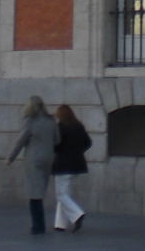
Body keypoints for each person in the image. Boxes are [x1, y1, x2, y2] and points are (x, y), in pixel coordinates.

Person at [5, 95, 59, 235]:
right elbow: (57, 139)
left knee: (34, 194)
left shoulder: (30, 121)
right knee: (40, 192)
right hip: (48, 158)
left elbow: (20, 141)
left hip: (34, 160)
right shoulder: (51, 121)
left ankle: (38, 226)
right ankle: (39, 224)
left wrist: (10, 158)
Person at [51, 104, 91, 232]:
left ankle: (77, 214)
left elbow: (56, 145)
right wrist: (78, 152)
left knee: (61, 194)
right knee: (65, 193)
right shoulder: (78, 126)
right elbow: (88, 142)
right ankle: (60, 224)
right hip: (77, 163)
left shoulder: (60, 128)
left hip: (63, 164)